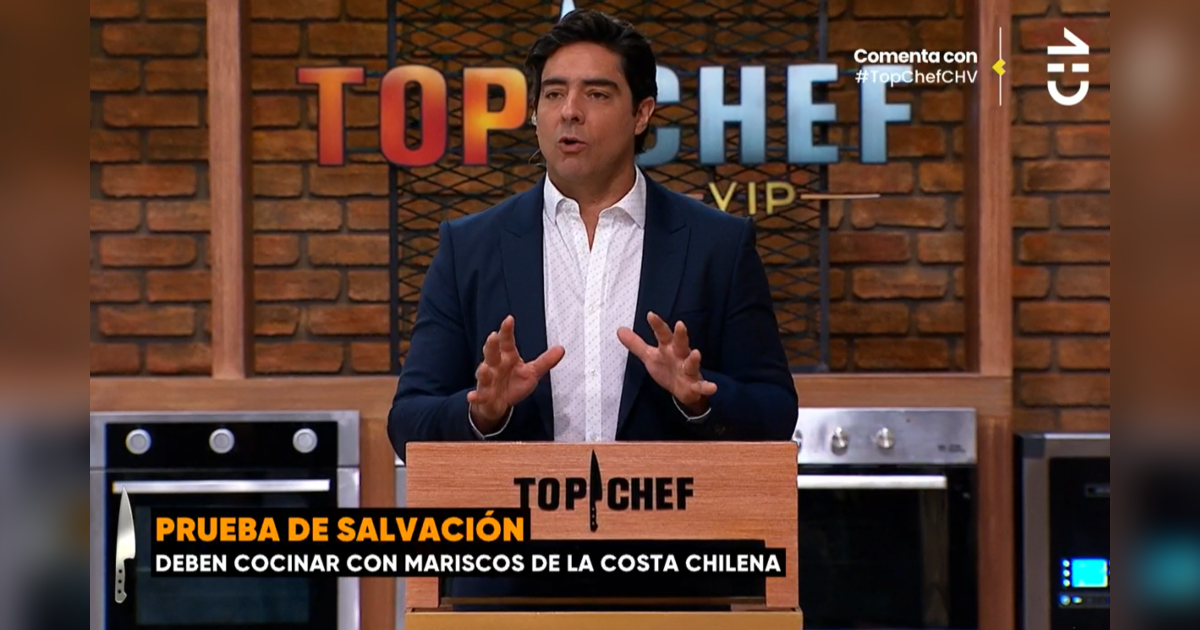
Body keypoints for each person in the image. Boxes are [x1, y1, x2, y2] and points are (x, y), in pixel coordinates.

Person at [386, 8, 797, 607]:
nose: (569, 111)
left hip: (672, 586)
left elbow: (776, 410)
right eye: (553, 94)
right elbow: (407, 422)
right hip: (507, 588)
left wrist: (699, 399)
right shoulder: (469, 247)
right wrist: (482, 414)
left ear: (641, 114)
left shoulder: (718, 244)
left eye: (596, 93)